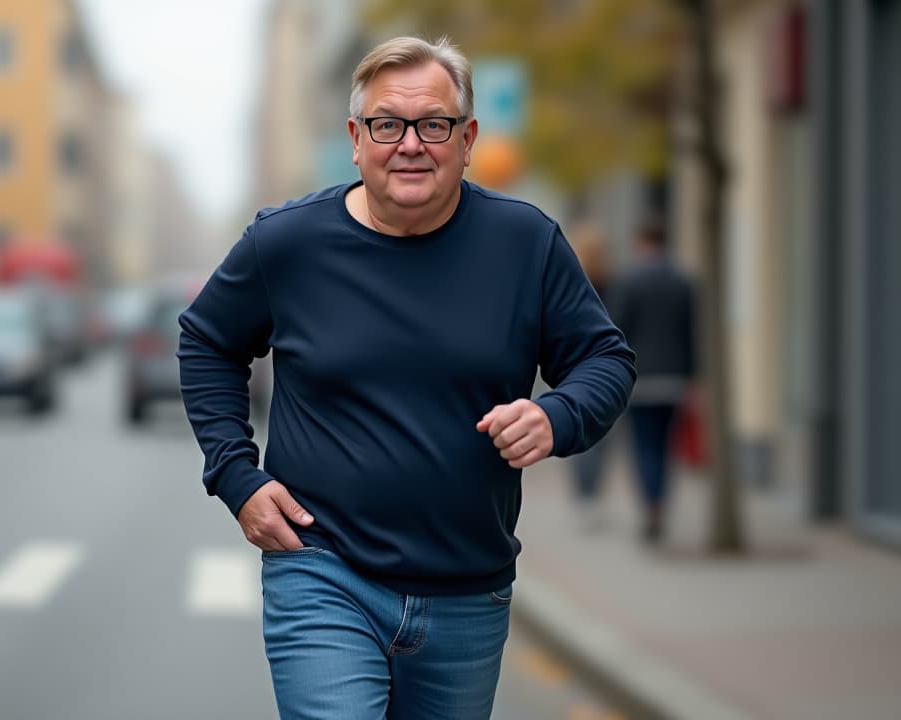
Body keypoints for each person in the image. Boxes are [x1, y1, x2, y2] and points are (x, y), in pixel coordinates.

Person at [177, 36, 636, 720]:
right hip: (322, 569)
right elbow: (206, 340)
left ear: (468, 137)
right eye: (388, 125)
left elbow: (606, 358)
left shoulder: (524, 243)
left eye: (435, 124)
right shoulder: (288, 244)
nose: (411, 144)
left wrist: (555, 416)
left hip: (467, 588)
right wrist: (236, 476)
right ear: (357, 140)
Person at [611, 215, 696, 543]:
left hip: (639, 379)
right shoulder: (682, 281)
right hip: (674, 379)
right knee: (664, 446)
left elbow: (616, 330)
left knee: (644, 446)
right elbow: (690, 333)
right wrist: (691, 377)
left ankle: (650, 506)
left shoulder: (629, 281)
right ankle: (660, 505)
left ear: (641, 242)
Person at [565, 221, 614, 528]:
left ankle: (584, 495)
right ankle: (592, 495)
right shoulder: (611, 283)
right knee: (601, 438)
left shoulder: (571, 279)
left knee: (574, 429)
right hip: (600, 371)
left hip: (571, 368)